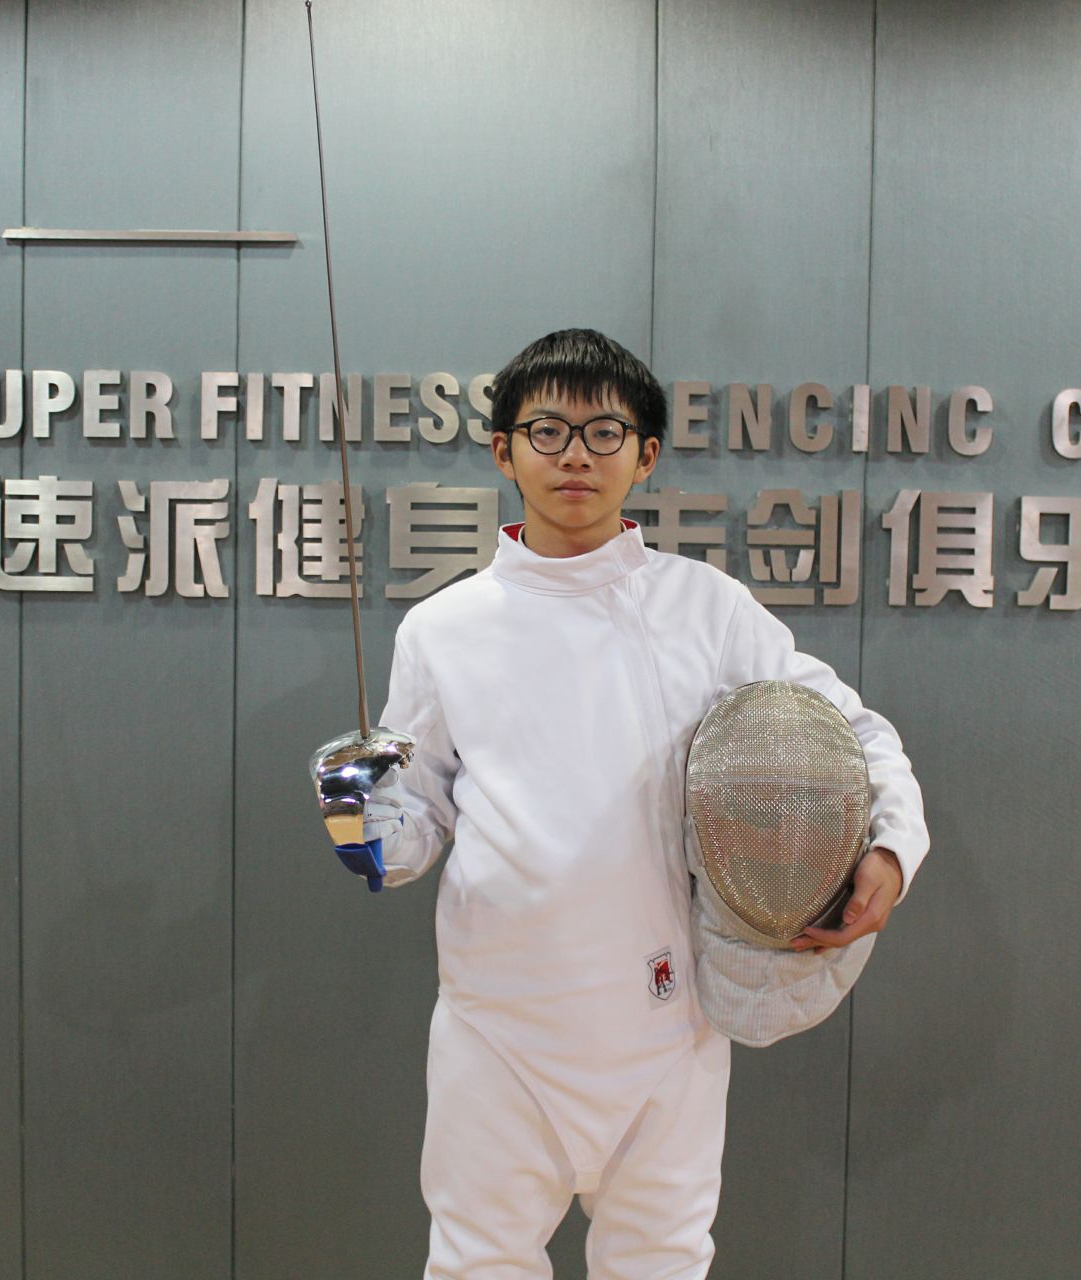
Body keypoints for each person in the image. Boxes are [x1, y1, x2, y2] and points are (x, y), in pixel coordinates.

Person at [327, 328, 929, 1279]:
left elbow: (853, 734)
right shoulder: (442, 628)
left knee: (661, 1263)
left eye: (604, 432)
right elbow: (419, 822)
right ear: (504, 451)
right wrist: (364, 824)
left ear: (645, 455)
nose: (575, 455)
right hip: (496, 1027)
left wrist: (889, 847)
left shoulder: (707, 608)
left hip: (667, 1020)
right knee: (478, 1264)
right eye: (548, 430)